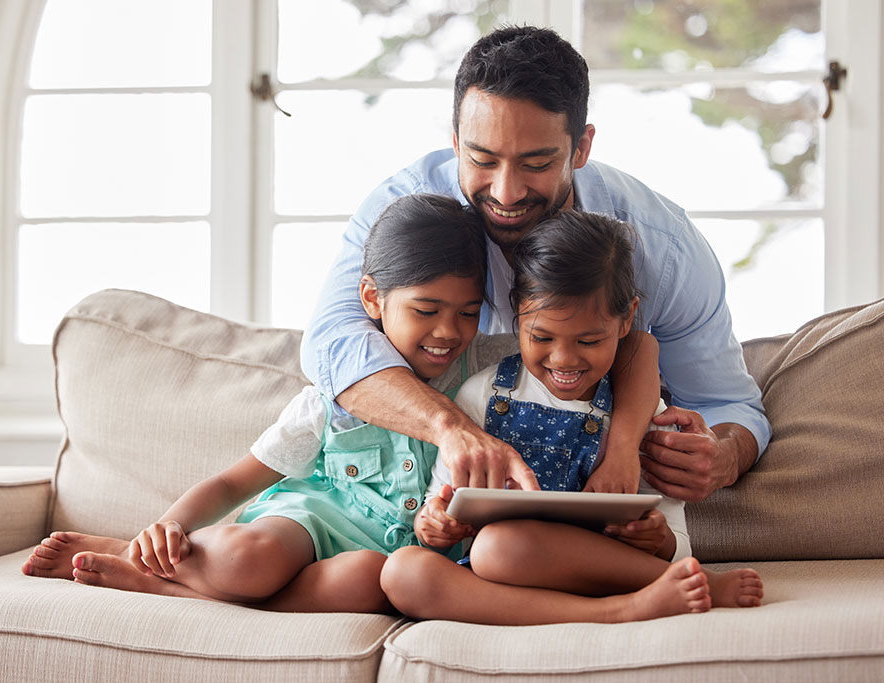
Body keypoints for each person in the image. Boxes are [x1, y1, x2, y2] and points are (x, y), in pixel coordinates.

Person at [300, 25, 770, 503]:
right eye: (483, 159)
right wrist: (452, 428)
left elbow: (727, 404)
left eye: (536, 164)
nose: (505, 193)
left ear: (581, 148)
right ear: (457, 141)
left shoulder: (663, 247)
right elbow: (331, 343)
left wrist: (723, 455)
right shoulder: (403, 214)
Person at [22, 194, 490, 612]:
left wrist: (449, 524)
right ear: (372, 298)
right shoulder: (333, 398)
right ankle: (139, 555)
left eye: (469, 313)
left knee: (369, 581)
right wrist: (164, 528)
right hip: (304, 527)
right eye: (426, 310)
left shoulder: (479, 394)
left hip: (389, 561)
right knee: (247, 560)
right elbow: (232, 484)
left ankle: (166, 588)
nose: (449, 331)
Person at [379, 211, 764, 625]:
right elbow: (440, 504)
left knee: (499, 546)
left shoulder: (638, 411)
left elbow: (676, 539)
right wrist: (435, 524)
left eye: (589, 340)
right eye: (541, 337)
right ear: (517, 315)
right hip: (498, 578)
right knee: (404, 571)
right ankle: (616, 612)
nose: (563, 359)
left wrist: (660, 540)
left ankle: (684, 586)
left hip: (586, 567)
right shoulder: (482, 395)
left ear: (626, 320)